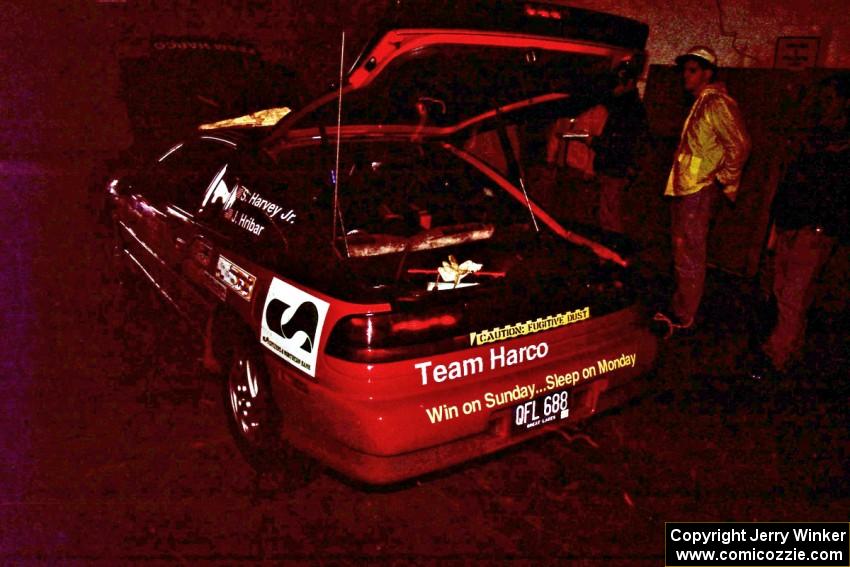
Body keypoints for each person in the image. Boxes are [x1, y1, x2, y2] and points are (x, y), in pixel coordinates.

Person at [750, 73, 850, 378]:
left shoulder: (841, 145)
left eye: (830, 98)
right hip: (793, 222)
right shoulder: (815, 137)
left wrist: (826, 226)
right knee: (785, 291)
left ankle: (777, 356)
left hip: (815, 228)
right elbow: (792, 181)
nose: (823, 104)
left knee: (793, 294)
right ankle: (789, 350)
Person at [652, 46, 751, 338]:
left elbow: (740, 145)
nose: (686, 75)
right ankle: (681, 306)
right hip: (688, 188)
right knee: (683, 251)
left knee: (690, 254)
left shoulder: (717, 104)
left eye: (692, 70)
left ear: (708, 73)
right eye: (685, 69)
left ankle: (684, 315)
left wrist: (724, 179)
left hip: (699, 190)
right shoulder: (702, 103)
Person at [592, 61, 650, 233]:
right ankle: (610, 251)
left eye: (618, 83)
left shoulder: (630, 109)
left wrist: (595, 143)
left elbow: (622, 142)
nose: (614, 88)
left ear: (630, 82)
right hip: (612, 166)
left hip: (617, 168)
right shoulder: (621, 106)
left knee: (611, 215)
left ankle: (615, 252)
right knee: (607, 213)